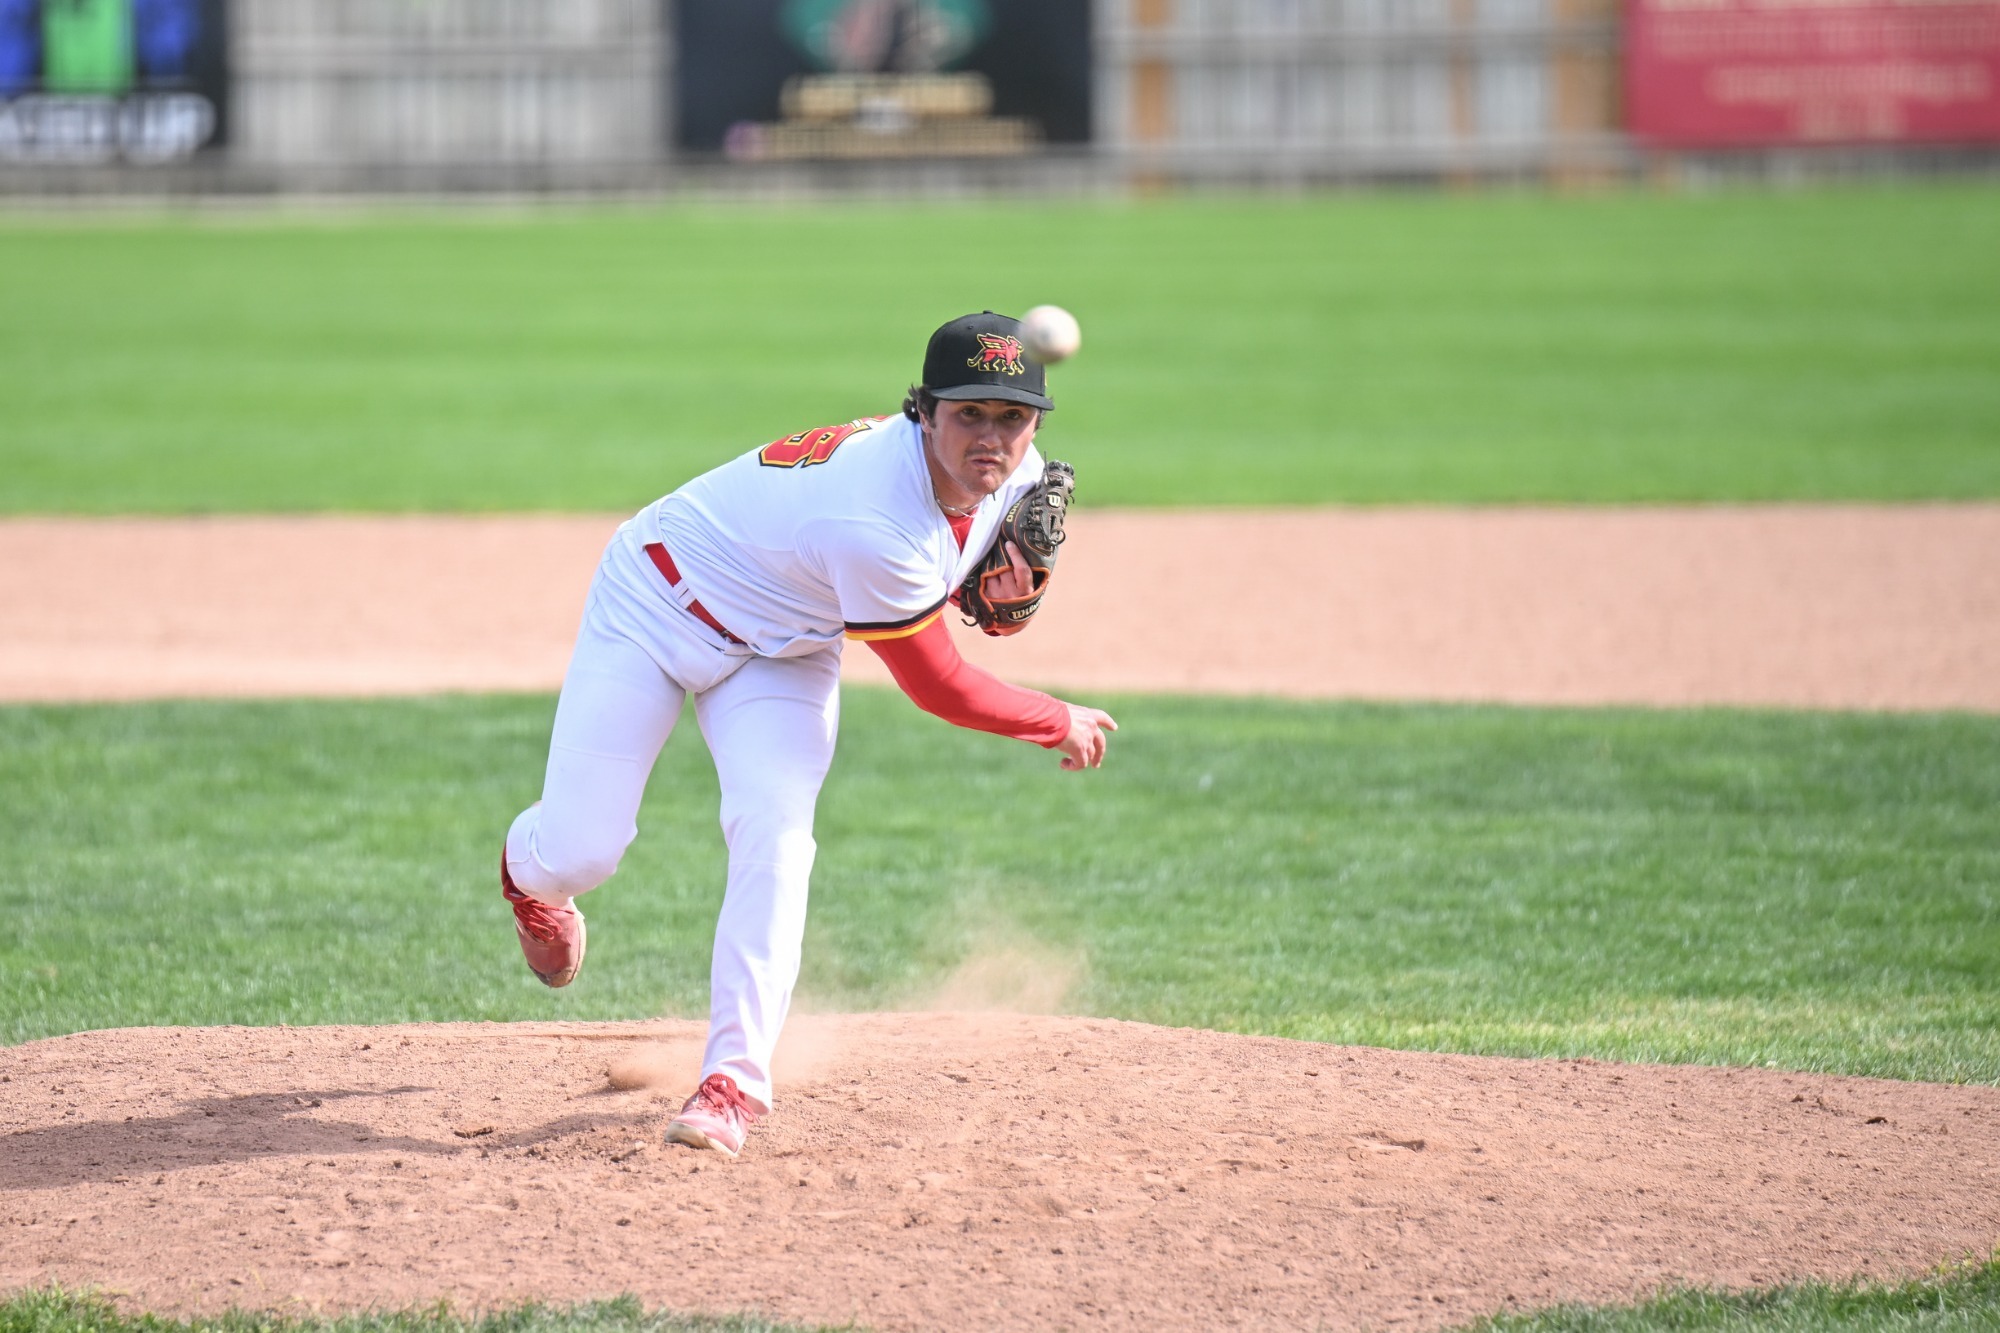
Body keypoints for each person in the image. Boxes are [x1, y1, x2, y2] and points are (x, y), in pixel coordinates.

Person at [498, 311, 1117, 1158]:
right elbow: (939, 685)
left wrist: (988, 579)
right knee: (583, 851)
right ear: (924, 412)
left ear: (1035, 423)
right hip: (655, 601)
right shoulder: (870, 518)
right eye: (969, 413)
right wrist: (1058, 717)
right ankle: (530, 875)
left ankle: (734, 1082)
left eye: (1011, 417)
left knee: (778, 835)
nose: (992, 437)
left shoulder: (1018, 475)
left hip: (782, 652)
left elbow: (981, 583)